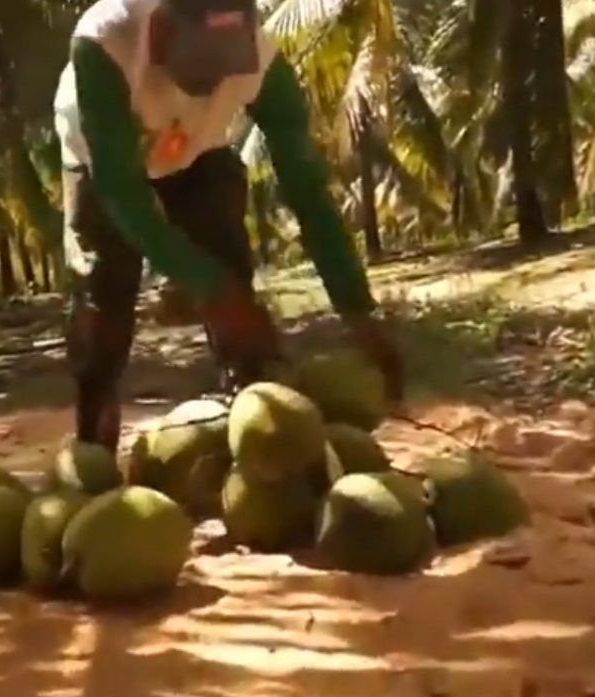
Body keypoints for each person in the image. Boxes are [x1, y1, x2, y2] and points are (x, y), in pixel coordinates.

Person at [53, 0, 404, 452]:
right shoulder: (104, 45)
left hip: (196, 153)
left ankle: (258, 414)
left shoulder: (259, 58)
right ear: (159, 28)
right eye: (202, 67)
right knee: (102, 298)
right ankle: (94, 438)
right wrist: (208, 288)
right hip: (99, 157)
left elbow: (307, 189)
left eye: (224, 67)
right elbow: (121, 193)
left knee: (232, 268)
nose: (215, 83)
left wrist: (356, 306)